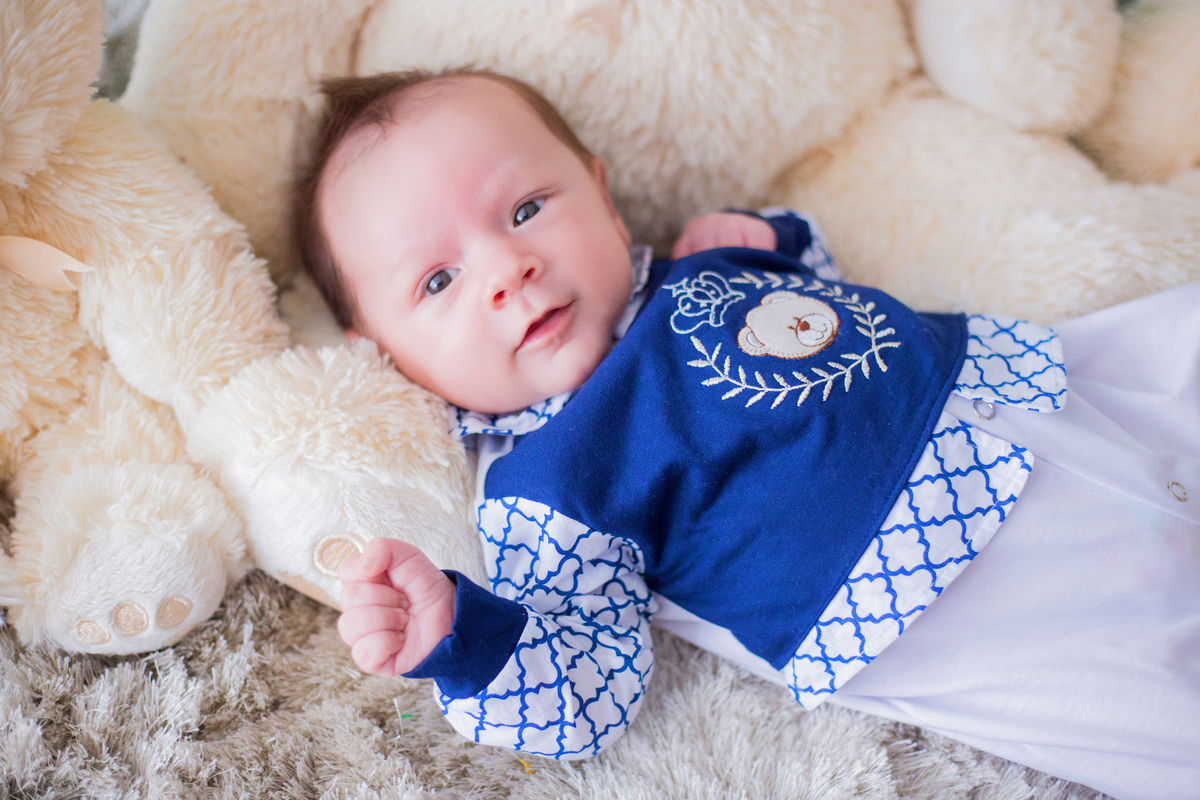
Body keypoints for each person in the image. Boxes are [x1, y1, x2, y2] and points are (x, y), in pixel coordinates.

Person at [294, 68, 1200, 800]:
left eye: (528, 208)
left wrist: (765, 241)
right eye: (438, 282)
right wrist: (462, 636)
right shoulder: (546, 486)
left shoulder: (698, 269)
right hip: (971, 596)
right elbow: (581, 691)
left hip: (1045, 396)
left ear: (604, 200)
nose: (506, 267)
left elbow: (817, 308)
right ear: (388, 358)